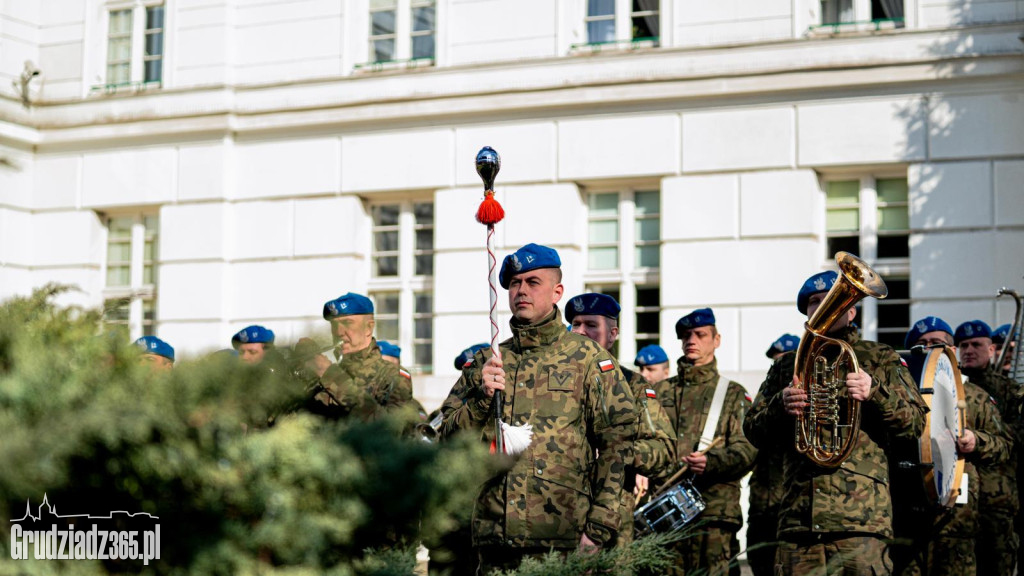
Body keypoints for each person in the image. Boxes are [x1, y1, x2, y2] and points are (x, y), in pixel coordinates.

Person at [438, 243, 636, 572]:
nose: (521, 291)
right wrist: (482, 397)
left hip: (562, 536)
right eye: (515, 283)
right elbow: (448, 441)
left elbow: (617, 445)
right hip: (495, 536)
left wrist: (598, 529)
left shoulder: (587, 357)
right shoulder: (489, 360)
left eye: (533, 282)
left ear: (557, 291)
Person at [743, 271, 927, 575]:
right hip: (798, 520)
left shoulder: (880, 357)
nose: (822, 306)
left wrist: (875, 393)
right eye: (814, 302)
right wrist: (780, 406)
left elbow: (915, 426)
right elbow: (752, 430)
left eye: (830, 299)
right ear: (806, 312)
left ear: (851, 309)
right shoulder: (786, 365)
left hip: (861, 521)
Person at [889, 317, 1012, 576]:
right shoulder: (899, 395)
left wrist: (976, 440)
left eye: (937, 343)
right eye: (921, 344)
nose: (928, 349)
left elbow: (1004, 446)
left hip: (957, 521)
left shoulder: (976, 396)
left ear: (951, 351)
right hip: (907, 516)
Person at [650, 307, 757, 575]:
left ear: (716, 340)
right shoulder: (660, 392)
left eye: (700, 334)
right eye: (686, 335)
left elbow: (748, 449)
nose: (692, 341)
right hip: (664, 512)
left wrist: (712, 462)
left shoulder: (732, 394)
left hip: (714, 514)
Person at [566, 292, 676, 545]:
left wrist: (620, 451)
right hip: (555, 519)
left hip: (612, 525)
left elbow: (664, 448)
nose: (580, 332)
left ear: (613, 333)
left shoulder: (632, 385)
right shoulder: (551, 382)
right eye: (576, 324)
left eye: (591, 325)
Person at [955, 319, 1019, 576]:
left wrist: (979, 439)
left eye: (976, 344)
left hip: (998, 501)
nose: (969, 350)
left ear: (992, 349)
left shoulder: (1010, 392)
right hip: (959, 503)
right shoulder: (950, 385)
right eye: (963, 345)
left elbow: (1015, 440)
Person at [746, 333, 801, 576]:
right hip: (763, 506)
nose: (781, 366)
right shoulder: (769, 398)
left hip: (791, 509)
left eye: (787, 359)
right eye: (776, 360)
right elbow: (751, 431)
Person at [307, 293, 410, 420]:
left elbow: (389, 428)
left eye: (347, 323)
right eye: (334, 325)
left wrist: (331, 376)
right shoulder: (322, 375)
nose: (338, 332)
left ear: (368, 327)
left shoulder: (394, 375)